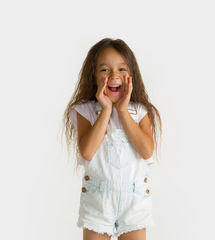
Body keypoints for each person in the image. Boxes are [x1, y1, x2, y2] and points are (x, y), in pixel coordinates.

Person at [63, 38, 162, 240]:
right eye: (105, 70)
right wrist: (106, 109)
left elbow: (146, 151)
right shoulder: (86, 111)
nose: (114, 76)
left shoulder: (141, 111)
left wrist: (123, 110)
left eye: (122, 69)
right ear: (94, 76)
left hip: (134, 200)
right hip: (98, 200)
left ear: (132, 75)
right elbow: (87, 151)